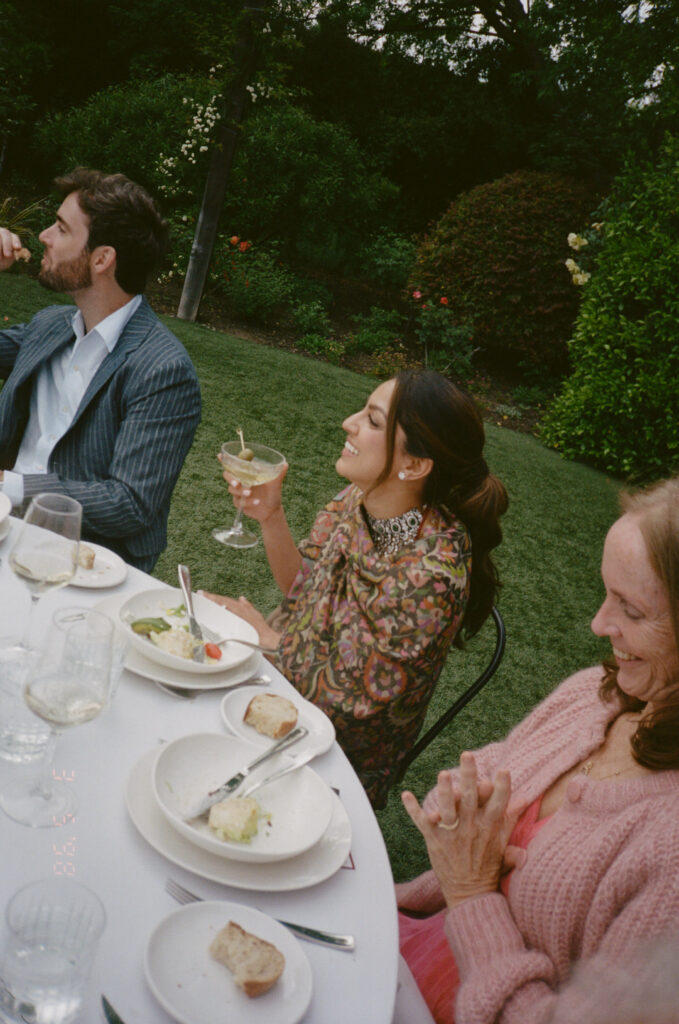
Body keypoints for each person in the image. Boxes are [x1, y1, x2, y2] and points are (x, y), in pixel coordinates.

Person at [397, 475, 679, 1023]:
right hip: (408, 943)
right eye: (606, 593)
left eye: (631, 609)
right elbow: (477, 776)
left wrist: (472, 894)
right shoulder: (596, 695)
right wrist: (462, 819)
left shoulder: (669, 855)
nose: (598, 624)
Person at [204, 370, 508, 807]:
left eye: (373, 420)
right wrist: (271, 516)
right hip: (280, 687)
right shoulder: (360, 499)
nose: (349, 422)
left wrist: (268, 640)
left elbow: (356, 704)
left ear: (414, 465)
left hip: (333, 758)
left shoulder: (431, 577)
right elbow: (303, 587)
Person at [0, 167, 201, 572]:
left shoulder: (163, 370)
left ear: (102, 258)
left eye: (61, 228)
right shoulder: (50, 325)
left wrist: (12, 486)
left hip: (87, 564)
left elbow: (130, 503)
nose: (44, 236)